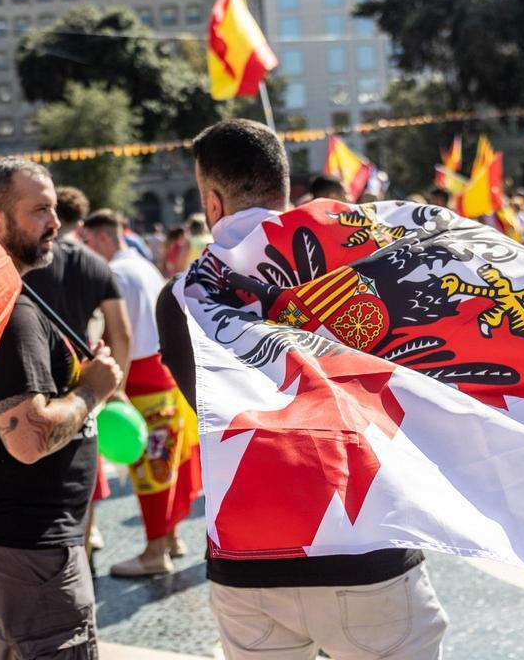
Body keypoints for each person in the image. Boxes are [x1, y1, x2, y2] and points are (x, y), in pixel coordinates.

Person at [157, 120, 448, 660]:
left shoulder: (178, 299)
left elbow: (203, 402)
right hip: (364, 536)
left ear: (211, 201)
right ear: (284, 187)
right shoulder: (367, 264)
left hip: (248, 553)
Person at [0, 159, 123, 659]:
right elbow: (27, 439)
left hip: (9, 542)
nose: (55, 222)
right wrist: (93, 390)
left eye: (53, 208)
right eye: (39, 209)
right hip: (26, 550)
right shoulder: (11, 311)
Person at [82, 210, 201, 578]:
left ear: (101, 238)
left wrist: (115, 388)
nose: (87, 250)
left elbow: (121, 335)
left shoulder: (116, 273)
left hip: (140, 376)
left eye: (88, 242)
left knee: (151, 467)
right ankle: (170, 539)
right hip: (162, 371)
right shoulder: (144, 266)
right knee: (166, 462)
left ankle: (154, 552)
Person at [24, 185, 131, 554]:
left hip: (35, 371)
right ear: (81, 222)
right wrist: (114, 385)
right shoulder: (96, 263)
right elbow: (121, 330)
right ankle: (84, 548)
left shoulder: (30, 260)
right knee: (85, 466)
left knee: (35, 464)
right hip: (82, 374)